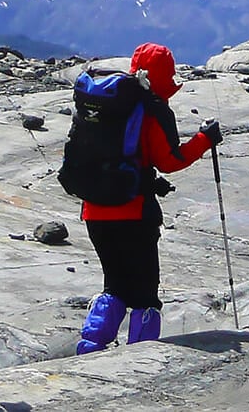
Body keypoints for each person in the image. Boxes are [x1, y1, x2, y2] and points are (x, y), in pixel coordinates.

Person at [76, 43, 221, 354]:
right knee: (144, 295)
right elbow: (171, 159)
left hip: (94, 210)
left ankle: (89, 348)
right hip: (134, 214)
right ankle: (140, 359)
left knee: (114, 284)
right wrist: (205, 139)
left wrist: (149, 181)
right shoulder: (152, 107)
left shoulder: (105, 101)